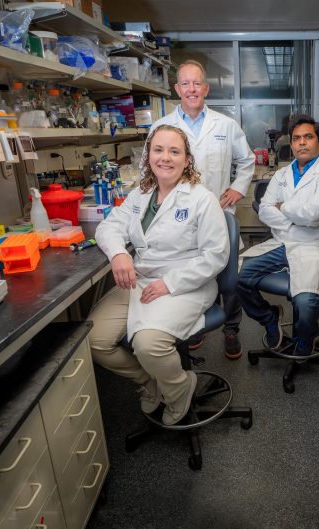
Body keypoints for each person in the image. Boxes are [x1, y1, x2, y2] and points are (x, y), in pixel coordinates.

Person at [88, 125, 229, 425]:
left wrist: (169, 283)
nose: (166, 158)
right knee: (94, 339)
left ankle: (179, 388)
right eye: (159, 150)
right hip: (140, 280)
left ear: (187, 160)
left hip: (186, 284)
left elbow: (216, 255)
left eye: (174, 151)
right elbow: (108, 227)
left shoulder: (201, 199)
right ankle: (152, 381)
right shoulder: (140, 194)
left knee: (148, 344)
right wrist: (119, 253)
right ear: (149, 156)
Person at [150, 59, 255, 360]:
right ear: (177, 89)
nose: (192, 89)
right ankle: (193, 328)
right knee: (185, 271)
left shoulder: (225, 125)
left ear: (206, 88)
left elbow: (246, 161)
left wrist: (238, 188)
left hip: (220, 214)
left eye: (197, 83)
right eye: (186, 83)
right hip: (178, 217)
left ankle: (231, 328)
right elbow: (151, 168)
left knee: (227, 272)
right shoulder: (161, 127)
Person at [237, 115, 319, 356]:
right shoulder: (281, 175)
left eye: (308, 137)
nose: (302, 143)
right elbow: (264, 210)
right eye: (297, 138)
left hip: (314, 246)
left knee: (305, 301)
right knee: (239, 277)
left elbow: (314, 215)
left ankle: (305, 341)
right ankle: (270, 317)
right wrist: (296, 218)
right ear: (291, 143)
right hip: (282, 243)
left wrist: (283, 207)